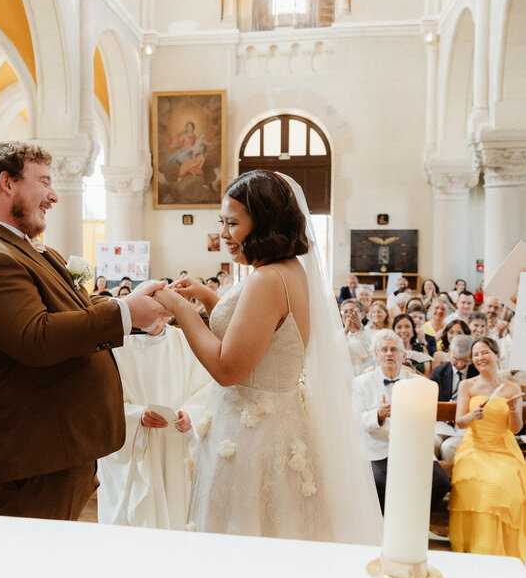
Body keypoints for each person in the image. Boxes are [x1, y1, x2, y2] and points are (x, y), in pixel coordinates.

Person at [152, 170, 381, 544]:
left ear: (263, 222)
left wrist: (180, 307)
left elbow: (228, 368)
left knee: (243, 536)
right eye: (221, 222)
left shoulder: (265, 279)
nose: (223, 233)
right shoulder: (286, 269)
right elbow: (261, 333)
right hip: (279, 421)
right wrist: (209, 299)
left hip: (251, 435)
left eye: (233, 223)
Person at [0, 142, 169, 520]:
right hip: (32, 452)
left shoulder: (23, 249)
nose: (53, 195)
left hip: (56, 444)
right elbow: (37, 337)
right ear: (7, 183)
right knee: (34, 564)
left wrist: (128, 311)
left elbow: (73, 312)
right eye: (44, 182)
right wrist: (125, 315)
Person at [98, 327, 212, 529]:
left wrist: (191, 414)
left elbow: (207, 387)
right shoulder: (117, 345)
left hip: (176, 444)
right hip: (136, 445)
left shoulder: (186, 340)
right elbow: (100, 401)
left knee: (177, 510)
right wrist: (136, 416)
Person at [449, 337, 526, 561]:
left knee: (505, 484)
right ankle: (478, 545)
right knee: (482, 484)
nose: (480, 358)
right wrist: (471, 416)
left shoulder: (512, 388)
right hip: (475, 447)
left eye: (485, 352)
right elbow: (459, 421)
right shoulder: (467, 385)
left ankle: (505, 549)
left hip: (502, 446)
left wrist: (513, 410)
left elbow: (515, 428)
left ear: (497, 355)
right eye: (476, 354)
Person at [353, 330, 451, 512]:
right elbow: (356, 421)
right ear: (376, 355)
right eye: (384, 350)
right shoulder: (360, 383)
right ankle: (384, 529)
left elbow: (427, 417)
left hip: (411, 446)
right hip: (378, 448)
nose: (389, 353)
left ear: (403, 355)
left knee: (440, 482)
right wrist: (378, 415)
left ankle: (413, 518)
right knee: (379, 483)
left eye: (394, 349)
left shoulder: (419, 383)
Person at [431, 334, 477, 462]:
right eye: (456, 359)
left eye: (466, 361)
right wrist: (447, 406)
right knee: (431, 442)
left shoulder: (477, 372)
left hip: (465, 425)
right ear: (450, 350)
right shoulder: (438, 373)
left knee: (448, 447)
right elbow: (433, 403)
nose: (460, 365)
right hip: (442, 424)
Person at [339, 299, 371, 375]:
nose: (349, 315)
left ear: (362, 315)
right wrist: (346, 330)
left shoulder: (369, 332)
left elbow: (370, 353)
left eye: (352, 311)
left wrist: (359, 329)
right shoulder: (337, 335)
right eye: (345, 312)